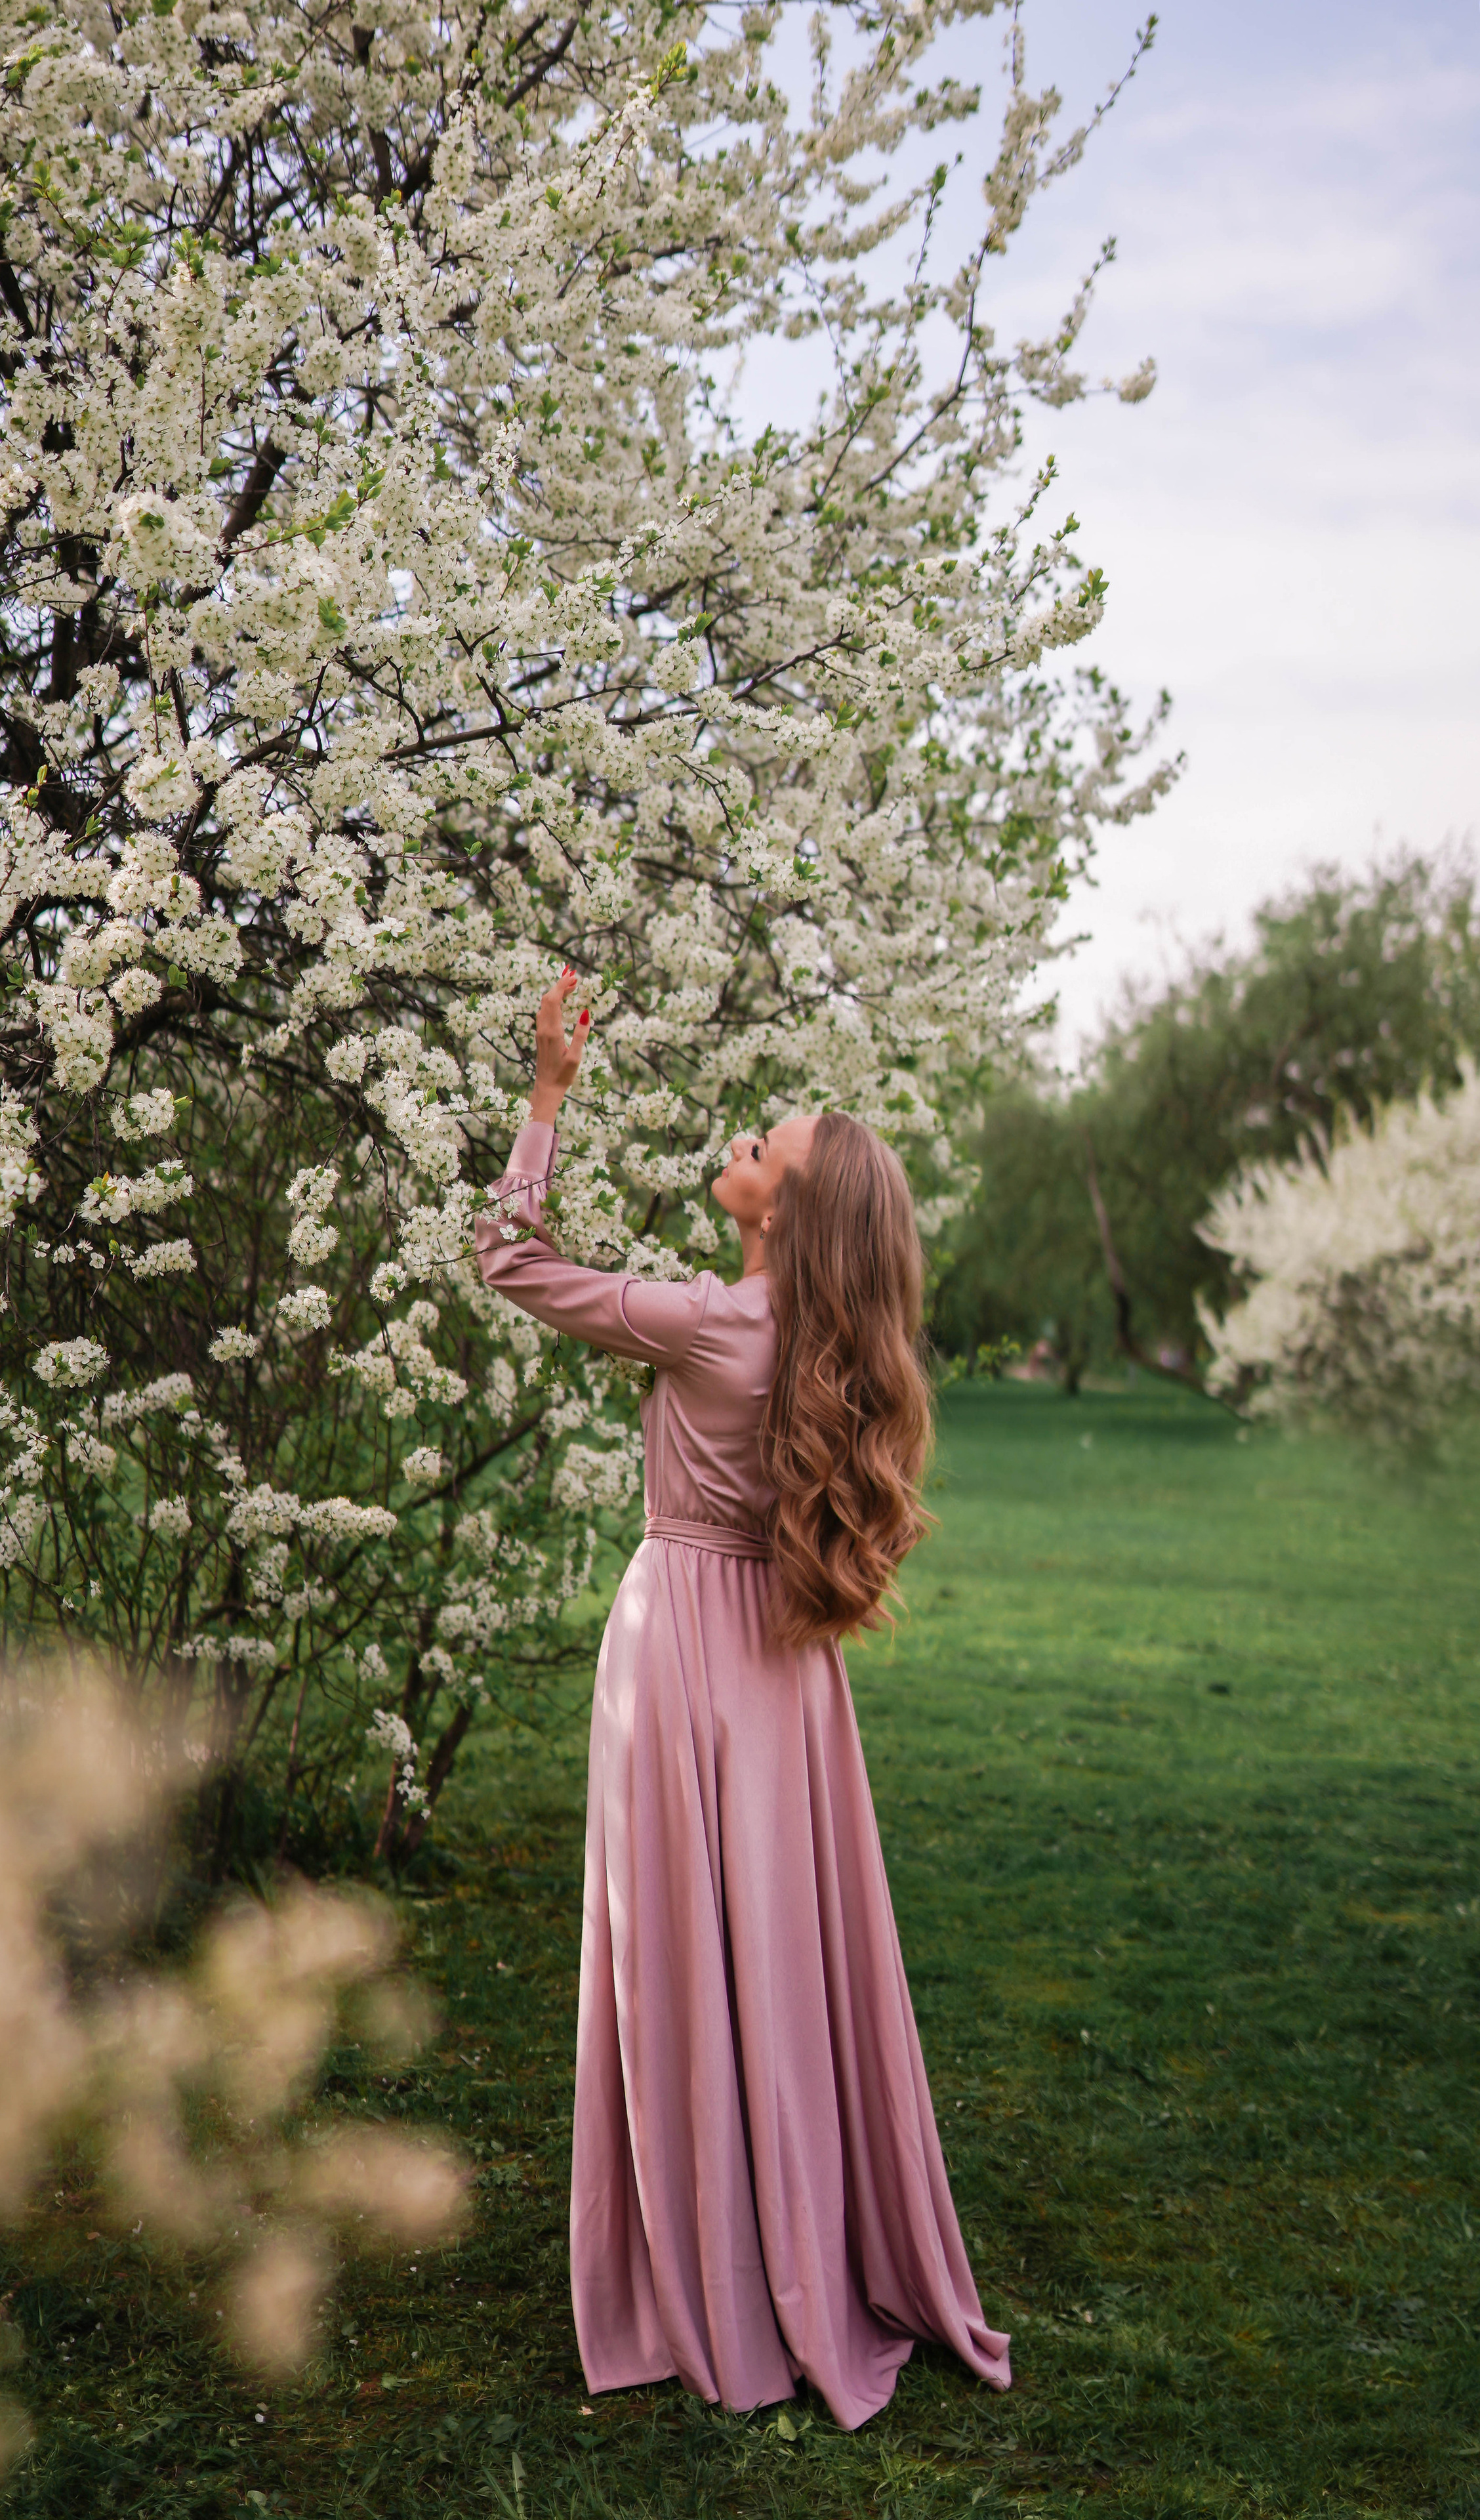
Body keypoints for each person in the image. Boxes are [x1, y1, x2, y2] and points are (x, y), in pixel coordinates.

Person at [474, 969, 1011, 2431]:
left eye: (763, 1145)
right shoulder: (824, 1351)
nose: (741, 1141)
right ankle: (796, 2242)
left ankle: (713, 2265)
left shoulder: (714, 1323)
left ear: (786, 1210)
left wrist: (546, 1096)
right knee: (785, 1953)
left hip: (682, 1648)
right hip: (786, 1667)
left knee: (679, 1951)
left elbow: (509, 1258)